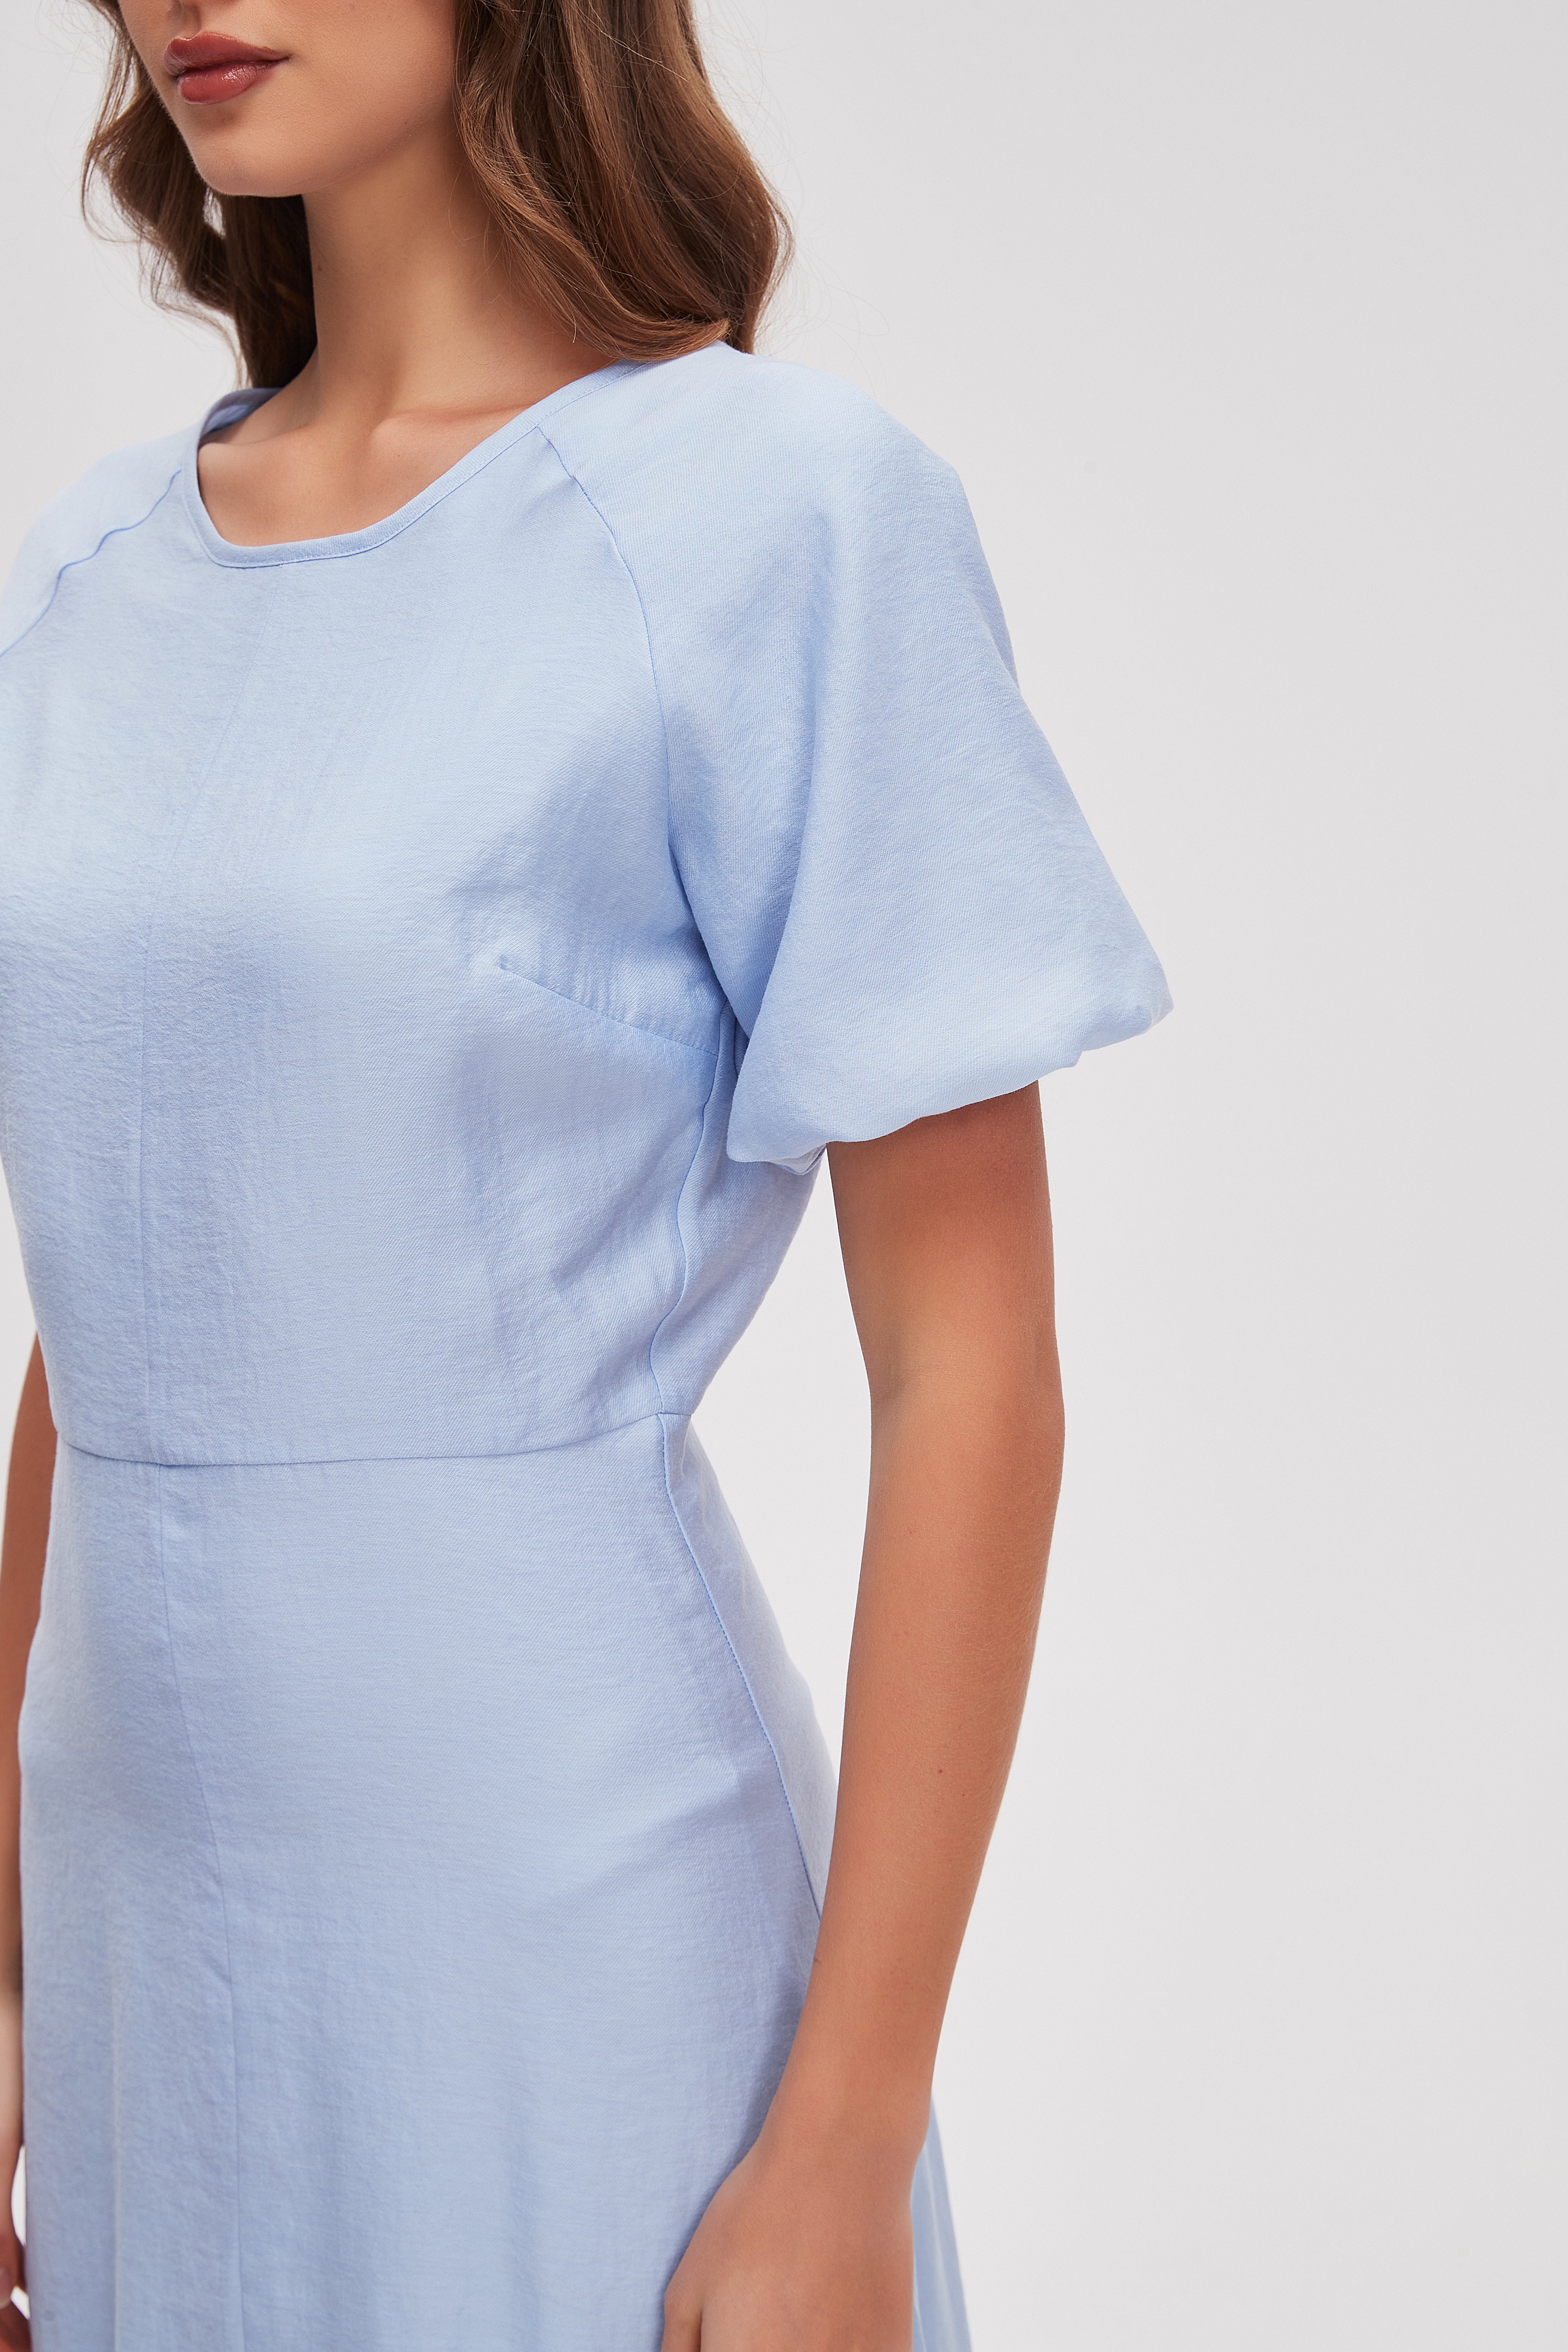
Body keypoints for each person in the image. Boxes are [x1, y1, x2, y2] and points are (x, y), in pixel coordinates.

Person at [0, 2, 1170, 2345]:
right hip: (139, 1934)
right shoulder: (91, 567)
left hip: (563, 1909)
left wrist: (844, 2136)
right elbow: (115, 1316)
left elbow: (969, 1368)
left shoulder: (773, 513)